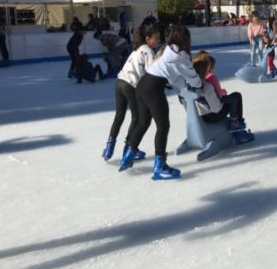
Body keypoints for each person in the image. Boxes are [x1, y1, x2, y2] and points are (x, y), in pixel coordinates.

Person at [119, 25, 202, 180]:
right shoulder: (182, 56)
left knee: (143, 122)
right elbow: (192, 77)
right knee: (163, 126)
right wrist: (198, 86)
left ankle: (128, 154)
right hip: (153, 89)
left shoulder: (168, 51)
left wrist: (183, 89)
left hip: (142, 85)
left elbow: (175, 78)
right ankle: (160, 166)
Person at [102, 25, 161, 162]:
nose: (158, 40)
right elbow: (151, 73)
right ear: (148, 38)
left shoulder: (137, 49)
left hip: (119, 82)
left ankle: (109, 147)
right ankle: (129, 148)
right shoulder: (148, 51)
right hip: (130, 85)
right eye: (156, 38)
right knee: (137, 118)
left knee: (119, 115)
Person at [192, 51, 253, 144]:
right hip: (213, 115)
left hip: (203, 115)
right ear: (206, 67)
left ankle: (236, 123)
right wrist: (222, 99)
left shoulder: (195, 84)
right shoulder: (207, 86)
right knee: (236, 97)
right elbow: (216, 108)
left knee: (233, 98)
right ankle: (237, 127)